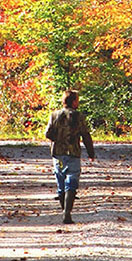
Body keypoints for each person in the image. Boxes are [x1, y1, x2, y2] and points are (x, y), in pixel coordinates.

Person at [45, 90, 95, 224]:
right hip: (73, 153)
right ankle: (67, 212)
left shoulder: (54, 115)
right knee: (72, 181)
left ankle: (64, 210)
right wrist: (91, 153)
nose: (78, 103)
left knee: (61, 182)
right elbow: (86, 135)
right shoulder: (79, 116)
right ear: (73, 102)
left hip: (58, 154)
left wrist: (58, 139)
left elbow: (47, 133)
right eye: (77, 100)